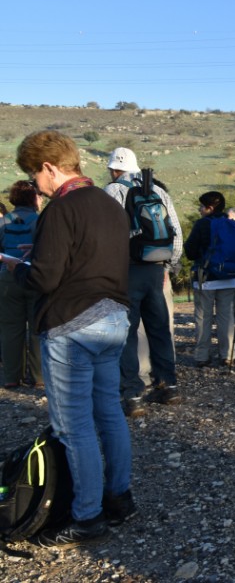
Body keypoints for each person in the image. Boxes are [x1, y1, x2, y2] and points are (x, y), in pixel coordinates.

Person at [2, 130, 135, 547]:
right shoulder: (111, 206)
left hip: (70, 325)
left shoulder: (60, 210)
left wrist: (15, 266)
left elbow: (44, 277)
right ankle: (120, 499)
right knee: (109, 414)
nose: (33, 184)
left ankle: (87, 517)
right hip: (114, 319)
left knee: (72, 427)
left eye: (31, 173)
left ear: (49, 167)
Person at [106, 147, 183, 416]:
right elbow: (176, 231)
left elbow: (108, 236)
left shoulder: (113, 191)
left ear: (114, 169)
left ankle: (133, 394)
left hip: (126, 270)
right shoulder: (158, 190)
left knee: (126, 333)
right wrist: (169, 265)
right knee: (159, 329)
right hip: (156, 269)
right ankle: (169, 386)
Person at [183, 191, 235, 367]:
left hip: (206, 278)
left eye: (202, 206)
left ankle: (202, 356)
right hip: (230, 277)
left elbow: (191, 252)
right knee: (226, 317)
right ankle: (228, 354)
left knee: (203, 318)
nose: (200, 210)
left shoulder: (202, 225)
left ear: (210, 208)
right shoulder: (233, 225)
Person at [0, 181, 44, 389]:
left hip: (8, 277)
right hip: (33, 277)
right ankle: (38, 377)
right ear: (33, 198)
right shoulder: (39, 220)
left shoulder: (3, 221)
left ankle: (11, 377)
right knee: (37, 327)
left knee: (10, 328)